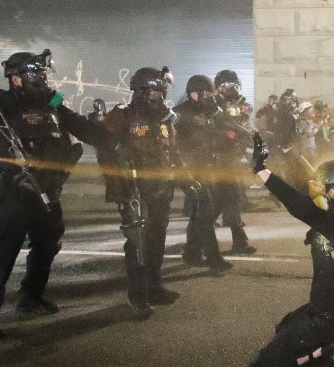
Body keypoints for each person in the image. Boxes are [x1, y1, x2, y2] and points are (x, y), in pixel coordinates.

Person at [0, 49, 103, 338]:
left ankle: (31, 298)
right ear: (16, 78)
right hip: (17, 192)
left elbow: (79, 126)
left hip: (49, 190)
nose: (41, 79)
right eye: (34, 74)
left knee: (47, 246)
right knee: (2, 254)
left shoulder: (53, 102)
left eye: (43, 74)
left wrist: (110, 138)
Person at [248, 134, 334, 367]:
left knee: (267, 364)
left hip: (331, 316)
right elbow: (306, 187)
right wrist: (283, 156)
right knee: (285, 326)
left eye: (323, 187)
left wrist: (262, 171)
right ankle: (333, 340)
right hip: (326, 307)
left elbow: (296, 202)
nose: (316, 188)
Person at [101, 66, 194, 314]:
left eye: (162, 92)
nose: (159, 97)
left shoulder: (166, 119)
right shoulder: (122, 117)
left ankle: (154, 287)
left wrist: (187, 180)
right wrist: (118, 193)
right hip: (135, 191)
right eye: (154, 92)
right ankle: (138, 296)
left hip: (161, 188)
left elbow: (174, 152)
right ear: (140, 92)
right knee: (137, 245)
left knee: (156, 241)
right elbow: (107, 157)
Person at [173, 75, 233, 273]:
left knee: (202, 214)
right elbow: (172, 143)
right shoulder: (179, 113)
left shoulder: (210, 111)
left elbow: (229, 130)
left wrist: (216, 111)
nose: (208, 96)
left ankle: (191, 252)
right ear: (193, 93)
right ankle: (213, 258)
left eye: (210, 93)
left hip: (210, 168)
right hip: (192, 170)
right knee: (205, 212)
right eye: (204, 93)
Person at [212, 69, 257, 254]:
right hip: (214, 160)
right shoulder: (212, 105)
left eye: (234, 86)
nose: (232, 90)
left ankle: (239, 241)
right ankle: (196, 245)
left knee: (231, 199)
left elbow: (246, 127)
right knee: (211, 206)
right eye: (228, 86)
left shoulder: (241, 105)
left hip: (232, 159)